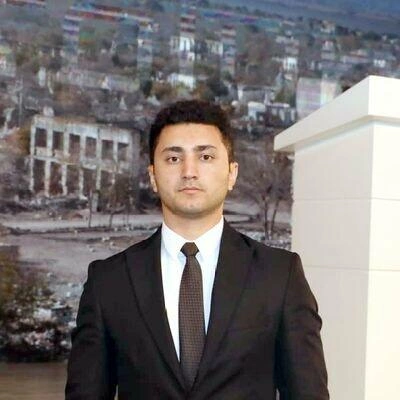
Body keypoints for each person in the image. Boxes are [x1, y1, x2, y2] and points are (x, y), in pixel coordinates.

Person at [65, 100, 329, 400]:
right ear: (153, 176)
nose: (189, 171)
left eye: (205, 156)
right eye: (173, 158)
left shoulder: (280, 275)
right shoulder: (108, 281)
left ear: (231, 173)